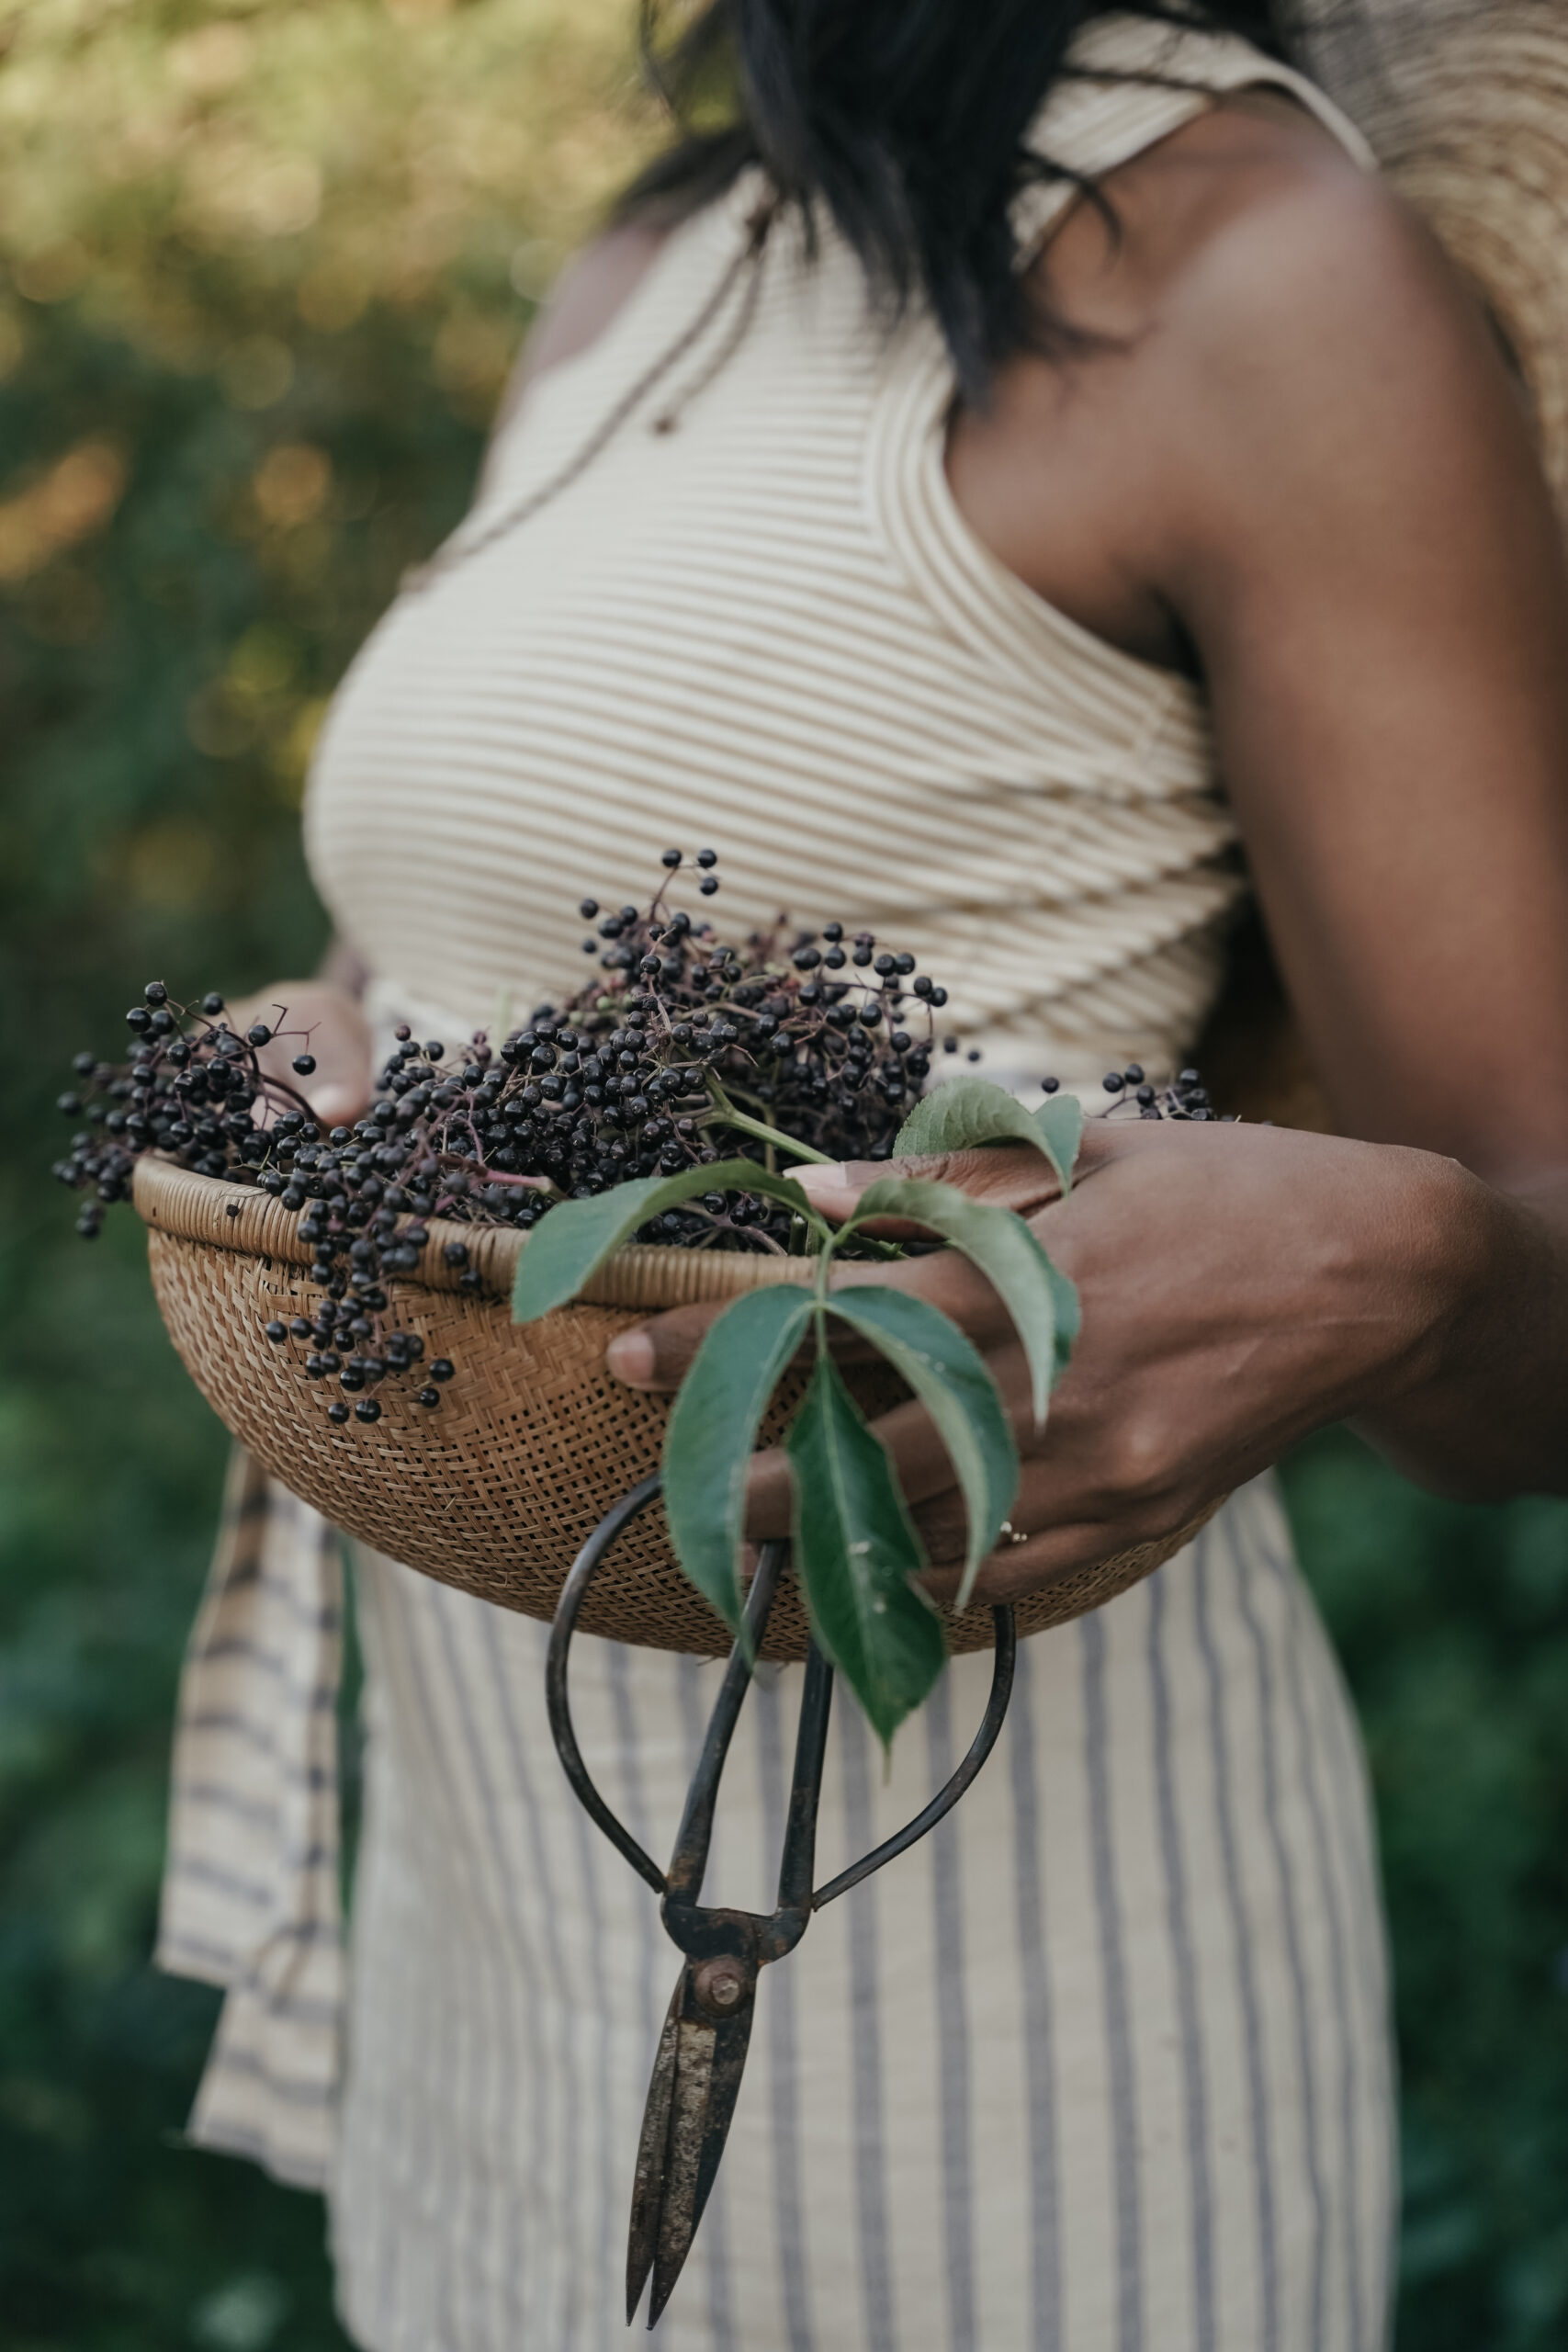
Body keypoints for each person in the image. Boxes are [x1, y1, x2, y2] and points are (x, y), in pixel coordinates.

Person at [165, 4, 1568, 2346]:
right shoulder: (654, 256)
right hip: (488, 1894)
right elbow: (467, 950)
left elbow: (1517, 1310)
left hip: (983, 1950)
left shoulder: (1268, 278)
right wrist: (316, 1053)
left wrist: (1415, 1258)